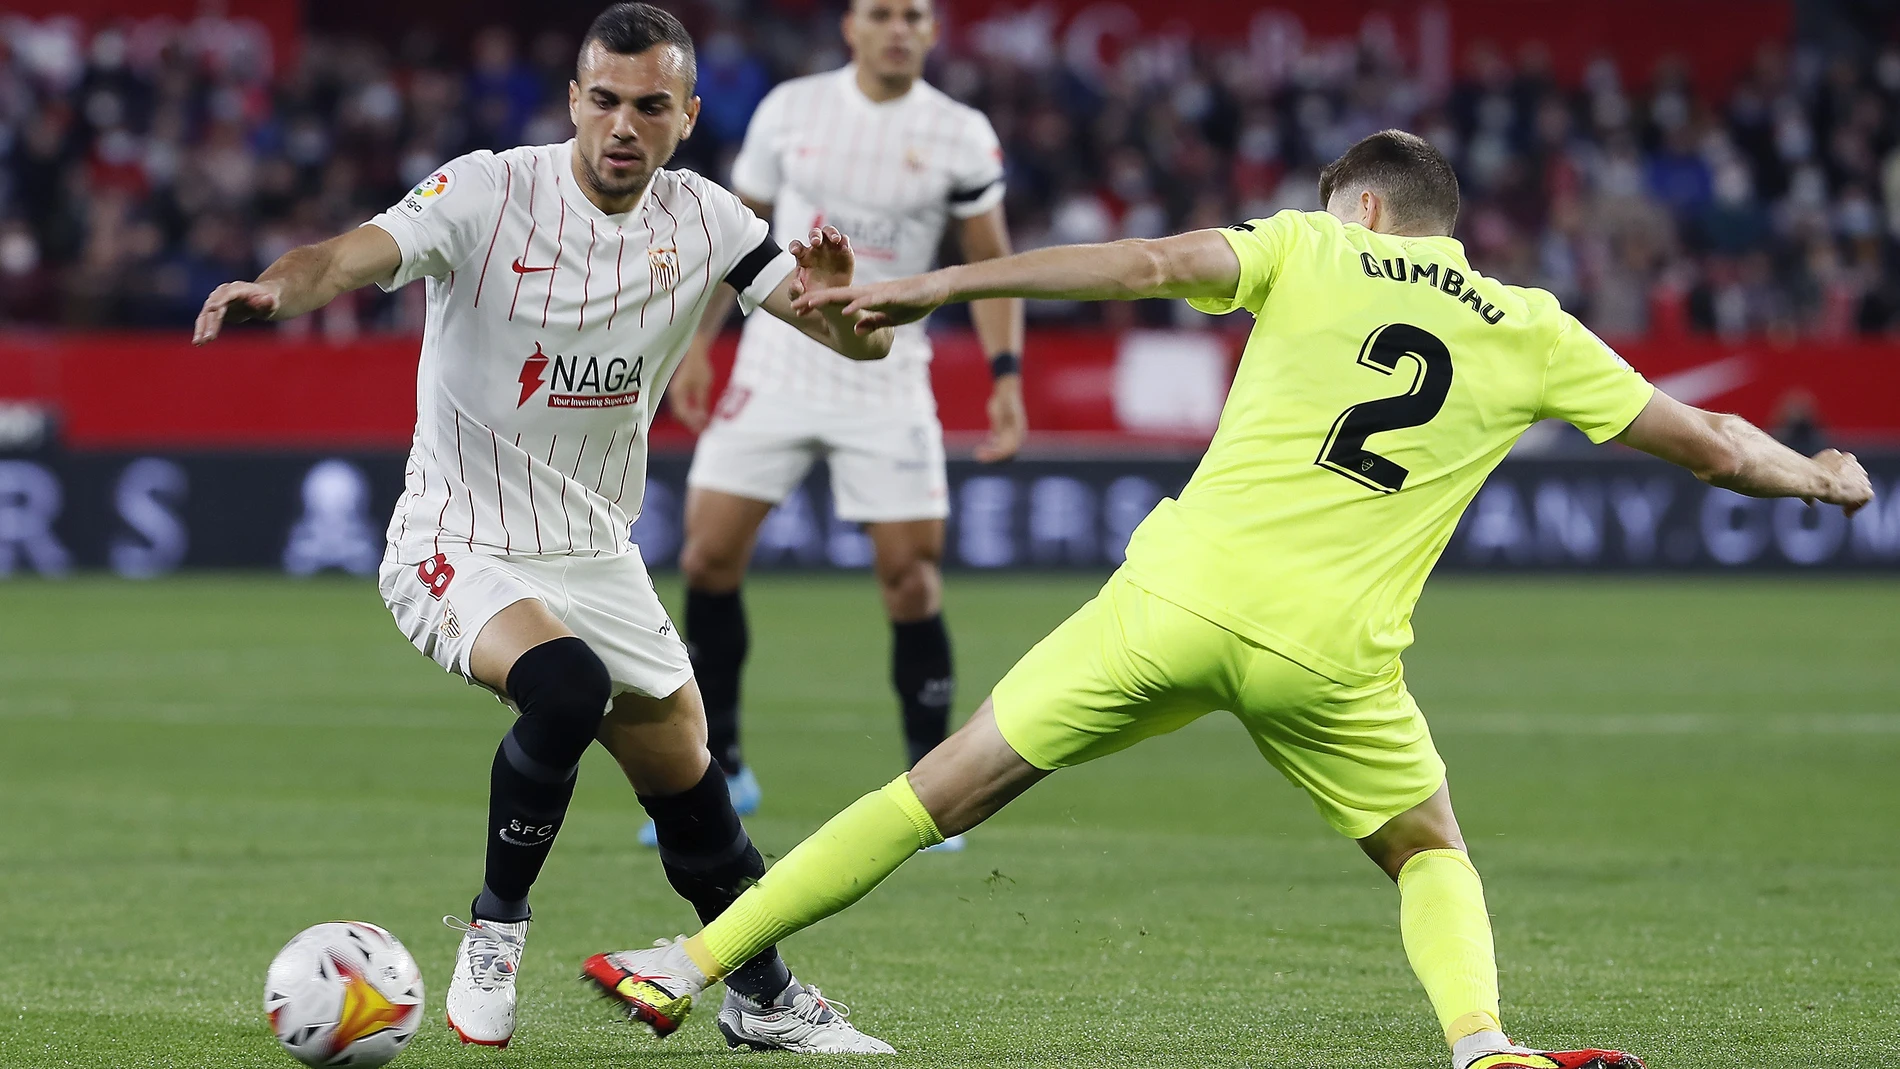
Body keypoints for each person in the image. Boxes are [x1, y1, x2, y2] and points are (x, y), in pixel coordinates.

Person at [577, 130, 1875, 1068]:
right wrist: (1817, 477)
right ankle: (1484, 1049)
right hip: (1330, 655)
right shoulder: (1531, 324)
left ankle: (683, 965)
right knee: (1430, 851)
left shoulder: (1309, 250)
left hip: (1175, 600)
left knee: (939, 789)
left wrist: (933, 287)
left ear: (1359, 209)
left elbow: (1142, 267)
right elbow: (1709, 443)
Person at [194, 4, 901, 1055]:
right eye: (604, 100)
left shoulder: (709, 221)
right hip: (457, 537)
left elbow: (844, 337)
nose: (622, 125)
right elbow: (349, 254)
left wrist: (846, 314)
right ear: (574, 99)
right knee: (563, 684)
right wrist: (275, 289)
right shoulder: (487, 191)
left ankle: (763, 996)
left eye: (649, 106)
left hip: (595, 550)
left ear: (688, 116)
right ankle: (495, 927)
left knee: (689, 783)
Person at [649, 0, 1026, 849]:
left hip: (889, 372)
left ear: (932, 33)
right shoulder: (790, 110)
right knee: (707, 555)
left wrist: (1006, 375)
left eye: (914, 16)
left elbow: (993, 266)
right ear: (850, 27)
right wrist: (699, 345)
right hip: (777, 361)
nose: (898, 28)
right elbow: (728, 240)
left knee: (911, 579)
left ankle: (936, 781)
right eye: (881, 13)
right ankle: (725, 761)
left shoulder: (960, 132)